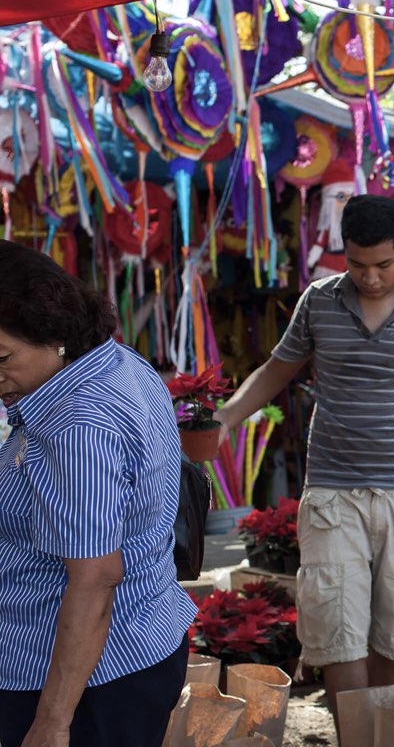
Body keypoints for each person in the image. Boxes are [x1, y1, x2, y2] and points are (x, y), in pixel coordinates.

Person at [214, 195, 394, 728]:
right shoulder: (319, 300)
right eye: (356, 264)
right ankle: (356, 739)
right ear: (342, 252)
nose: (370, 278)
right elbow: (277, 370)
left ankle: (384, 735)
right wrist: (224, 418)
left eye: (383, 264)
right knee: (336, 629)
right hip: (333, 490)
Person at [0, 241, 195, 746]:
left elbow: (95, 581)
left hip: (83, 680)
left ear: (54, 333)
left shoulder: (77, 428)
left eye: (3, 357)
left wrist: (52, 721)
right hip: (139, 641)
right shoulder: (116, 361)